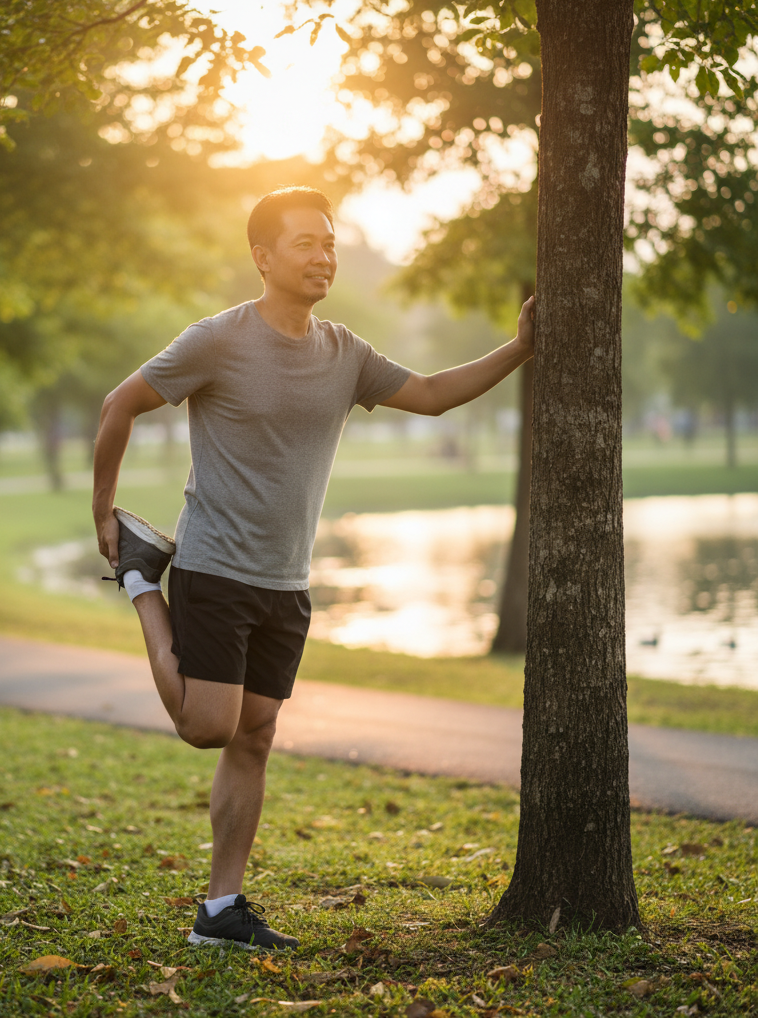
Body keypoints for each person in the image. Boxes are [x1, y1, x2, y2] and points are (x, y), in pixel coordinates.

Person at [92, 186, 535, 950]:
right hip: (216, 566)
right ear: (262, 258)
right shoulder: (216, 340)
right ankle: (141, 582)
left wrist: (520, 347)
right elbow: (118, 404)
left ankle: (221, 911)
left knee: (254, 738)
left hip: (287, 581)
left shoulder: (344, 352)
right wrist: (105, 509)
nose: (322, 256)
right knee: (208, 725)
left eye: (329, 243)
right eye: (305, 243)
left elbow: (430, 396)